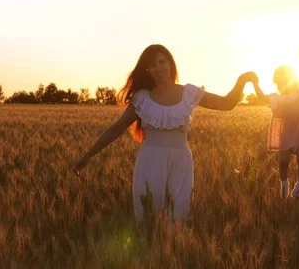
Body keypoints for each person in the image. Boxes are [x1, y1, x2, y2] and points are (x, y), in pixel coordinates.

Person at [73, 44, 256, 223]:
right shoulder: (142, 98)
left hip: (181, 161)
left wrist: (241, 81)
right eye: (152, 65)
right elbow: (115, 129)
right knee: (149, 218)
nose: (158, 68)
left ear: (170, 64)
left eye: (161, 62)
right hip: (150, 160)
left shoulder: (189, 92)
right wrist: (89, 155)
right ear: (147, 71)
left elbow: (226, 104)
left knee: (178, 218)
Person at [252, 65, 299, 198]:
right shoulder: (276, 98)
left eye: (283, 82)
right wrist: (255, 84)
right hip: (285, 135)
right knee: (283, 162)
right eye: (278, 83)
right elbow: (262, 96)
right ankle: (284, 184)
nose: (281, 86)